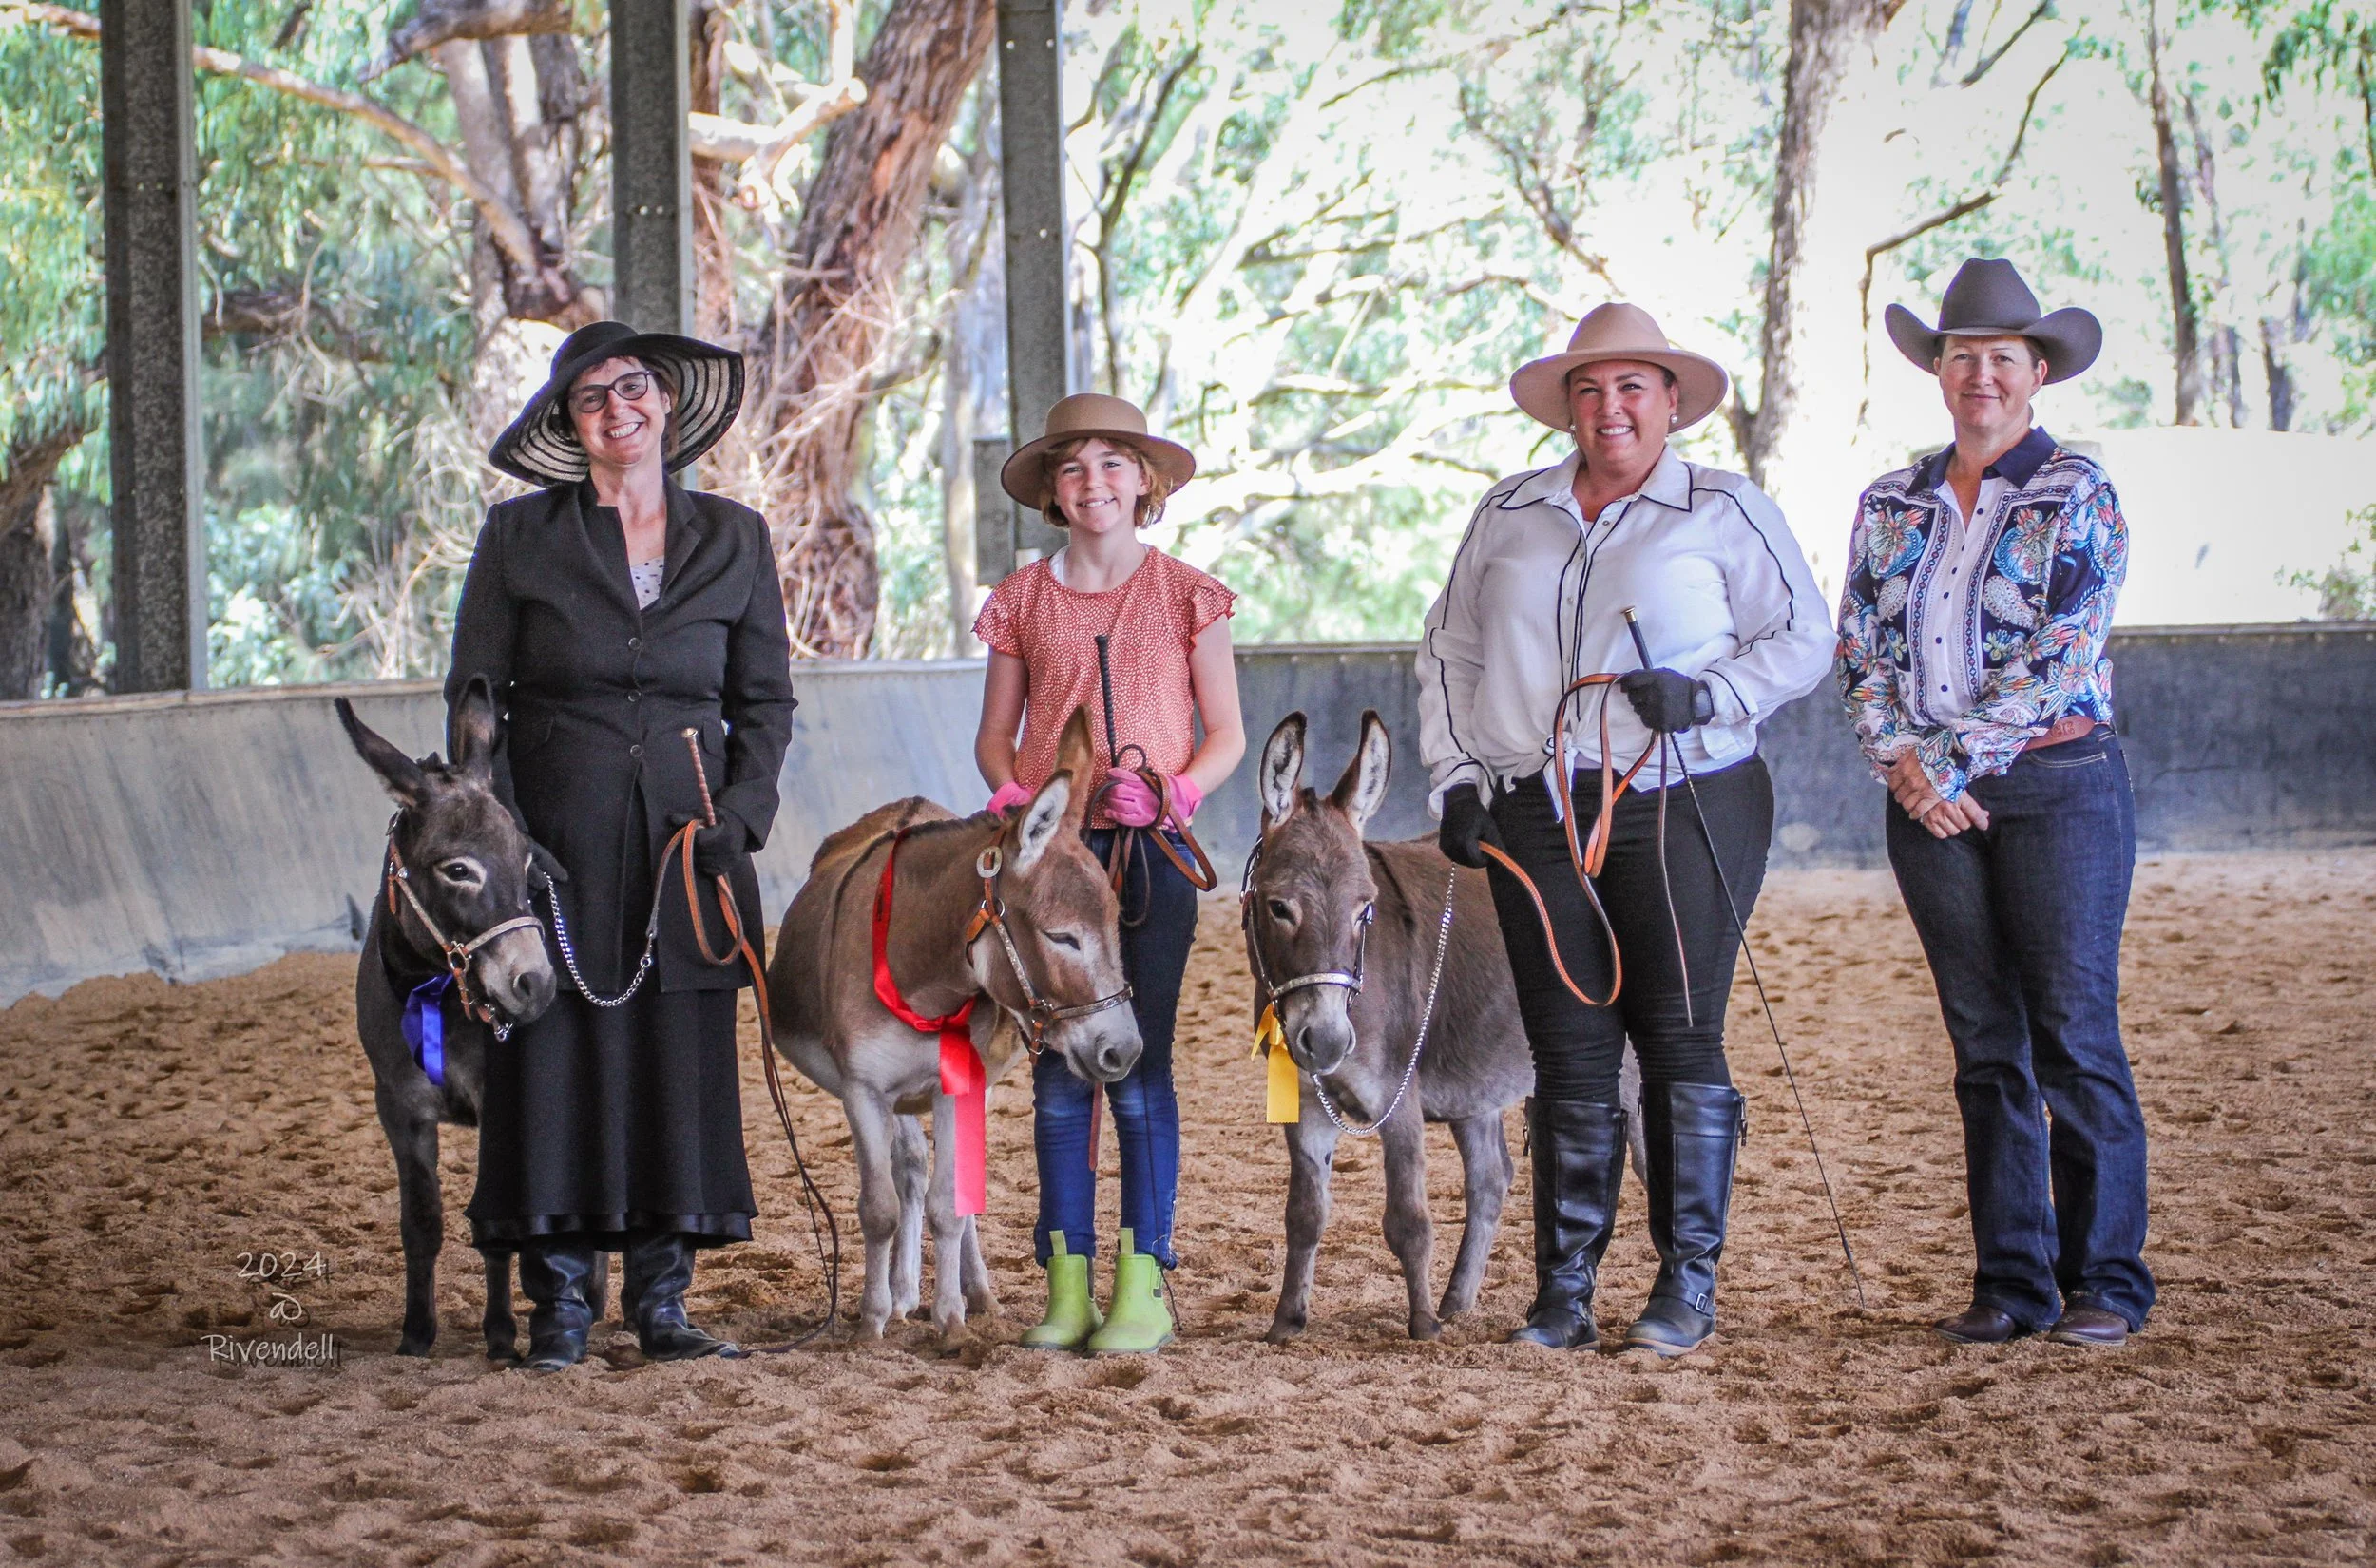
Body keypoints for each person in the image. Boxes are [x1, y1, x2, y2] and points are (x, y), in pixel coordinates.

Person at [1416, 304, 1831, 1356]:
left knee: (1679, 1030)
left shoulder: (1724, 509)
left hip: (1684, 794)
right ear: (1566, 407)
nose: (1611, 409)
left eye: (1633, 388)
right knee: (1567, 1048)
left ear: (1671, 403)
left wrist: (1710, 692)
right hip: (1534, 802)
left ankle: (1685, 1283)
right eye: (1591, 391)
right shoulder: (1507, 513)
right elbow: (1449, 651)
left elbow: (1804, 638)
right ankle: (1564, 1292)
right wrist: (1457, 777)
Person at [452, 321, 796, 1371]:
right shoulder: (519, 538)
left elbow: (766, 701)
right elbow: (475, 703)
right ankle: (558, 1303)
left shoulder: (736, 537)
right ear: (570, 424)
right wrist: (510, 839)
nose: (620, 411)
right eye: (593, 398)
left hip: (687, 840)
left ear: (667, 402)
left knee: (675, 1060)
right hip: (552, 839)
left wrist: (738, 818)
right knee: (550, 1048)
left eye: (634, 389)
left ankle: (662, 1302)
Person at [1841, 258, 2152, 1348]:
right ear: (1937, 369)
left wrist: (1945, 764)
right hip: (1926, 796)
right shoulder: (1890, 503)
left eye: (2001, 358)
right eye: (1961, 354)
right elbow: (1863, 648)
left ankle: (2106, 1277)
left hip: (2056, 785)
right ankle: (2012, 1281)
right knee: (1984, 1044)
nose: (1980, 373)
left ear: (2034, 374)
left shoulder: (2078, 492)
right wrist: (1903, 766)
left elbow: (2065, 654)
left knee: (2072, 1031)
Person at [972, 393, 1244, 1354]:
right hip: (1057, 866)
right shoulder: (1019, 602)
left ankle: (1145, 1280)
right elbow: (994, 741)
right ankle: (1066, 1284)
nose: (1094, 482)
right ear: (1053, 490)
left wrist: (1172, 792)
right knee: (1057, 1071)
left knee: (1141, 1065)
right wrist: (1014, 800)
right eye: (1074, 467)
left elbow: (1226, 737)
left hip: (1153, 856)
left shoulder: (1187, 594)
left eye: (1111, 464)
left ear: (1144, 483)